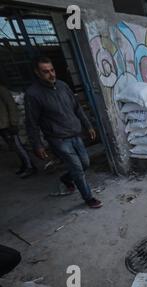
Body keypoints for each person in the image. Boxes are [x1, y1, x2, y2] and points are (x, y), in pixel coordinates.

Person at [25, 56, 103, 209]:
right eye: (46, 72)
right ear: (37, 73)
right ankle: (89, 198)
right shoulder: (33, 94)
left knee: (85, 163)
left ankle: (67, 179)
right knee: (78, 169)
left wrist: (88, 126)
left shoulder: (62, 86)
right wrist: (37, 145)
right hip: (59, 139)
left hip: (75, 134)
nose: (51, 74)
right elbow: (31, 123)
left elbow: (77, 108)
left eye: (52, 70)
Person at [0, 84, 36, 178]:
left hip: (8, 124)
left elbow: (11, 105)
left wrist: (13, 122)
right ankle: (25, 165)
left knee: (18, 146)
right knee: (14, 147)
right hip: (3, 125)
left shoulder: (2, 90)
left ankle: (30, 167)